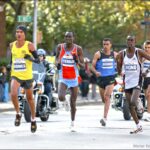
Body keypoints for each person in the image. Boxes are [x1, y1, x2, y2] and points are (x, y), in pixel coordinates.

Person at [116, 35, 150, 134]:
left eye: (132, 40)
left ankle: (139, 104)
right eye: (128, 40)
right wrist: (119, 70)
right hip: (127, 82)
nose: (130, 42)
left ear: (135, 42)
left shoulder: (138, 52)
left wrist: (146, 71)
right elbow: (118, 64)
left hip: (137, 81)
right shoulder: (122, 53)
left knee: (132, 102)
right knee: (130, 106)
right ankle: (138, 126)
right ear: (126, 42)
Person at [9, 25, 40, 133]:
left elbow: (38, 60)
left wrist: (30, 58)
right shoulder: (12, 45)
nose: (18, 34)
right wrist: (9, 65)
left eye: (21, 32)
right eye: (17, 32)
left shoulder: (29, 45)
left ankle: (33, 119)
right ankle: (18, 113)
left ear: (24, 34)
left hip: (27, 76)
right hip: (16, 74)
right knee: (13, 94)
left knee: (30, 99)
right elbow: (12, 59)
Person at [56, 31, 84, 131]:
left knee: (73, 102)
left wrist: (77, 60)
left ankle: (72, 123)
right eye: (66, 36)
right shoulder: (60, 47)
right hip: (63, 76)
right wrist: (57, 64)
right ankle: (65, 101)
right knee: (60, 96)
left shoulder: (78, 49)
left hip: (74, 78)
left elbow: (83, 66)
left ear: (73, 38)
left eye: (70, 37)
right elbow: (56, 59)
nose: (68, 38)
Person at [92, 38, 118, 126]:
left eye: (107, 44)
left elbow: (120, 63)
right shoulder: (98, 54)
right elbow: (92, 66)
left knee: (107, 97)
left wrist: (119, 70)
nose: (105, 46)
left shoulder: (114, 54)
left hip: (110, 78)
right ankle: (108, 103)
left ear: (111, 45)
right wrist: (96, 72)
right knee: (104, 99)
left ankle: (104, 118)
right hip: (101, 79)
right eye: (104, 44)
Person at [142, 40, 150, 122]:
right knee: (147, 97)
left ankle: (148, 114)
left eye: (149, 47)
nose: (147, 49)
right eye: (146, 47)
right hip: (144, 79)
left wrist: (146, 71)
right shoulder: (141, 56)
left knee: (148, 95)